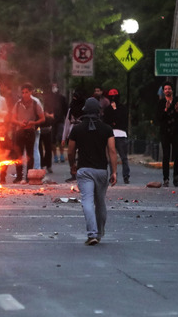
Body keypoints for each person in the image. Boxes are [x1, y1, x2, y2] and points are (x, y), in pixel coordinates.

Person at [67, 97, 119, 245]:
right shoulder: (107, 129)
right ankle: (100, 233)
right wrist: (114, 171)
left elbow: (70, 151)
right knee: (100, 202)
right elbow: (112, 151)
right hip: (101, 171)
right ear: (99, 112)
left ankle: (92, 234)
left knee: (87, 202)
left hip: (84, 171)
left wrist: (72, 165)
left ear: (84, 111)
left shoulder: (77, 129)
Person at [9, 83, 45, 184]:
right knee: (18, 154)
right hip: (19, 131)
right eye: (23, 92)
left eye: (26, 92)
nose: (24, 94)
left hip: (30, 131)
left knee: (30, 154)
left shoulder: (35, 103)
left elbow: (42, 118)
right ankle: (19, 176)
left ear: (31, 92)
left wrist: (33, 123)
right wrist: (20, 123)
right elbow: (13, 119)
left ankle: (28, 176)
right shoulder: (18, 104)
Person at [156, 82, 178, 187]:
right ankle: (166, 178)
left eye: (169, 88)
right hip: (165, 132)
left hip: (176, 131)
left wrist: (177, 110)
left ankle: (176, 175)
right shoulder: (161, 103)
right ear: (163, 91)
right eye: (165, 89)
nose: (167, 90)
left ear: (172, 90)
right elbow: (159, 118)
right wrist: (166, 109)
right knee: (166, 156)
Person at [102, 88, 130, 184]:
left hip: (120, 134)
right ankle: (113, 175)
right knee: (111, 157)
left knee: (123, 157)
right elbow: (106, 121)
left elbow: (122, 120)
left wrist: (115, 110)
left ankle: (126, 175)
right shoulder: (107, 109)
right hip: (111, 134)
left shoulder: (122, 108)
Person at [43, 83, 68, 165]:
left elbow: (66, 110)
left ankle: (61, 154)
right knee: (52, 139)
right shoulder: (48, 98)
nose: (54, 88)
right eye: (53, 87)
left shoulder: (62, 98)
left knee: (61, 137)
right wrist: (49, 115)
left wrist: (67, 120)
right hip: (51, 122)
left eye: (56, 87)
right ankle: (55, 156)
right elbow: (45, 111)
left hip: (60, 120)